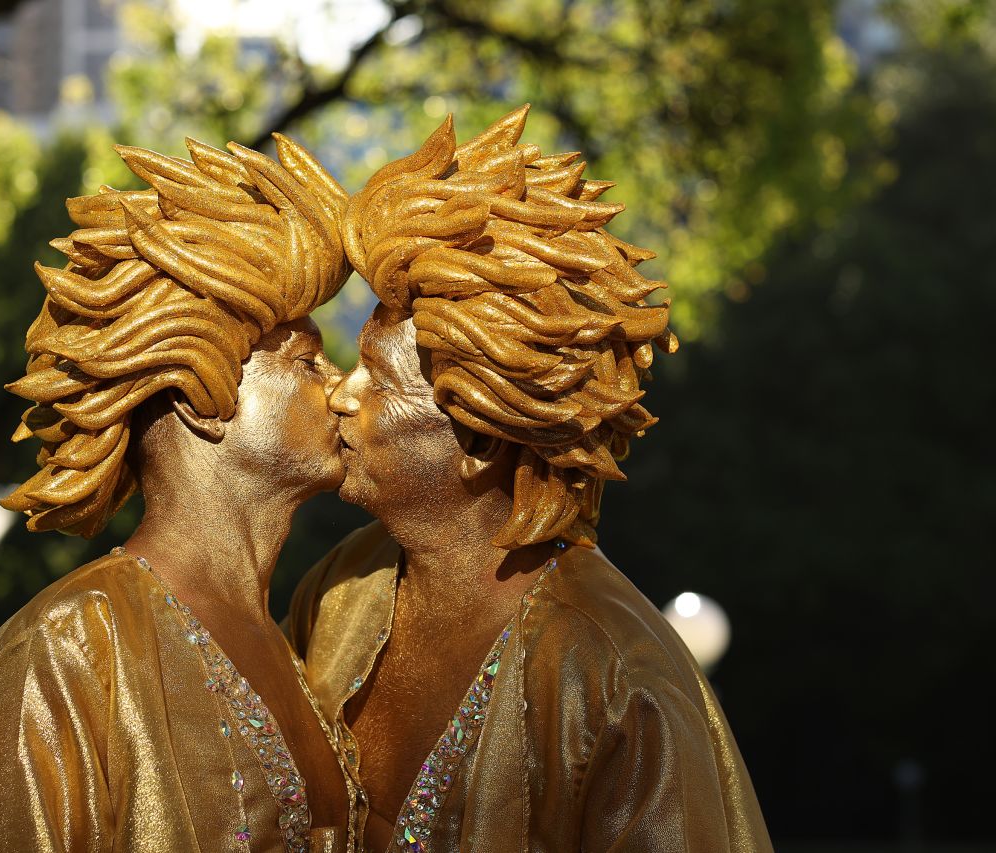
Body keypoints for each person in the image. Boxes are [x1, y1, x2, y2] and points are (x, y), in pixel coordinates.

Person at [287, 107, 772, 852]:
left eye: (376, 378)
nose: (342, 394)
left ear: (477, 432)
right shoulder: (339, 588)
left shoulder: (618, 677)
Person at [0, 132, 358, 852]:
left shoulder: (297, 652)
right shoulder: (70, 647)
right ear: (197, 391)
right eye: (308, 360)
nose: (342, 389)